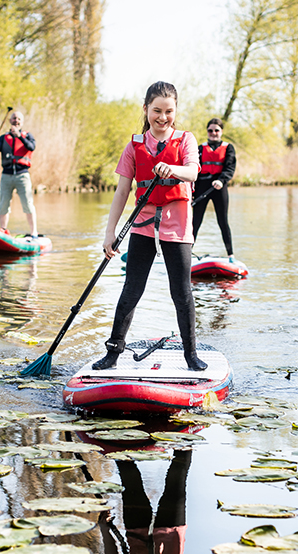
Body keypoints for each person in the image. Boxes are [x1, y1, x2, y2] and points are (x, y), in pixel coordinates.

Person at [92, 81, 205, 371]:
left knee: (181, 293)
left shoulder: (186, 140)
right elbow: (121, 193)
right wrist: (110, 234)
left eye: (169, 111)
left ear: (175, 111)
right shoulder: (134, 146)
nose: (163, 117)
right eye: (157, 111)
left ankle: (191, 356)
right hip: (142, 226)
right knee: (131, 290)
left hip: (176, 228)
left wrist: (173, 169)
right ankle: (113, 353)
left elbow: (192, 172)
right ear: (146, 109)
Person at [191, 118, 237, 257]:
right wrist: (193, 192)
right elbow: (195, 170)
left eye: (216, 130)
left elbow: (230, 168)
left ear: (221, 131)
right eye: (210, 130)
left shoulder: (228, 148)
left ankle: (231, 255)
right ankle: (186, 254)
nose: (213, 133)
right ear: (207, 131)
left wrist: (222, 181)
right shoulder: (200, 148)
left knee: (223, 221)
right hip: (202, 188)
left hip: (219, 187)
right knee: (195, 222)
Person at [0, 110, 38, 237]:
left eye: (18, 119)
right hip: (6, 175)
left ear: (22, 122)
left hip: (22, 175)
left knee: (27, 203)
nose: (15, 121)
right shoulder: (3, 138)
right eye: (14, 118)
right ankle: (3, 230)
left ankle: (34, 232)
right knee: (4, 204)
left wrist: (19, 136)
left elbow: (31, 147)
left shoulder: (27, 135)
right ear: (10, 121)